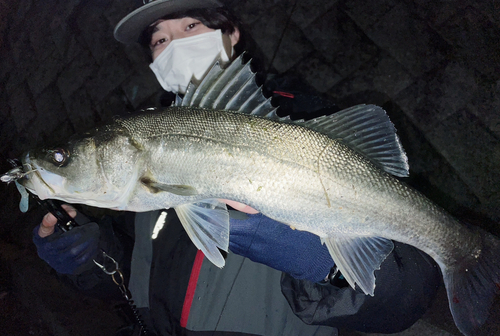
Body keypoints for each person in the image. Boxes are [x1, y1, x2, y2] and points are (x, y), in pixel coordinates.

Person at [33, 1, 441, 336]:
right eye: (160, 39)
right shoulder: (138, 167)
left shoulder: (310, 122)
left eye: (191, 24)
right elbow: (132, 284)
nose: (175, 44)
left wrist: (326, 267)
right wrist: (90, 260)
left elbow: (406, 298)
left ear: (230, 33)